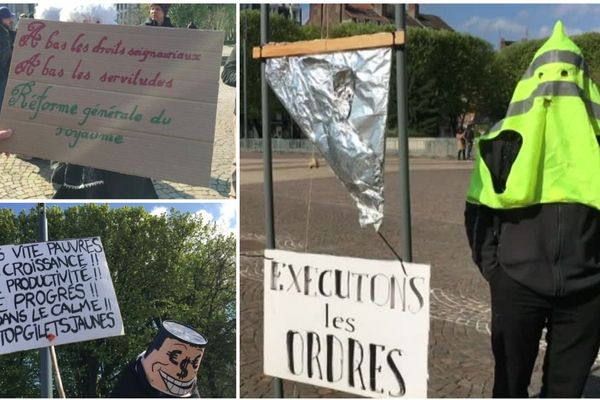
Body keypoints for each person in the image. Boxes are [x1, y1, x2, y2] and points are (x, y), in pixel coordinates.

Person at [465, 21, 600, 398]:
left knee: (565, 391)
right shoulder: (500, 141)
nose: (558, 86)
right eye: (549, 75)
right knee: (509, 386)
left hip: (586, 291)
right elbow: (477, 210)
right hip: (517, 284)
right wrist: (497, 271)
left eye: (568, 75)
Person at [48, 3, 158, 199]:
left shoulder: (127, 68)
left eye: (96, 25)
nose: (90, 34)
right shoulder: (59, 68)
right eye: (81, 26)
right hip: (76, 164)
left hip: (122, 167)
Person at [110, 321, 207, 398]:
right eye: (175, 356)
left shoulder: (188, 386)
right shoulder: (131, 379)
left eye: (193, 363)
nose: (182, 372)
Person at [221, 47, 236, 198]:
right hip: (239, 111)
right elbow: (227, 73)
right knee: (238, 160)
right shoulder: (238, 48)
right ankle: (235, 195)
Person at [0, 6, 15, 109]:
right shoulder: (2, 33)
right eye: (8, 18)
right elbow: (3, 54)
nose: (11, 20)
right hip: (2, 72)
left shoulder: (5, 31)